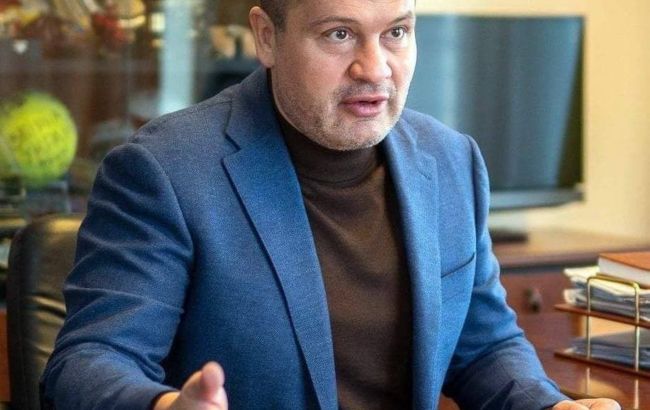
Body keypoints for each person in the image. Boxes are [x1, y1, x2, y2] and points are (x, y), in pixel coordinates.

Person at [40, 1, 621, 409]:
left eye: (396, 32)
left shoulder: (451, 161)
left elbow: (485, 346)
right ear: (267, 37)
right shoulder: (165, 170)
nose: (375, 68)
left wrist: (548, 405)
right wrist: (164, 406)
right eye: (339, 34)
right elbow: (87, 364)